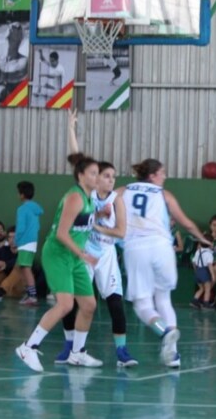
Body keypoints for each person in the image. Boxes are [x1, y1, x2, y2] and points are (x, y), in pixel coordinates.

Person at [55, 110, 137, 368]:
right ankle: (70, 347)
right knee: (71, 303)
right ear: (95, 177)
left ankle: (122, 352)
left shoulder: (116, 200)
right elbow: (77, 160)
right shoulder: (87, 194)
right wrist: (71, 129)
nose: (111, 180)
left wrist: (97, 227)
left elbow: (121, 232)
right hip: (83, 253)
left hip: (107, 255)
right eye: (106, 176)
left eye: (114, 177)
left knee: (115, 303)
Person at [119, 159, 212, 368]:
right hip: (162, 248)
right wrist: (201, 238)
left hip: (136, 248)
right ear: (152, 176)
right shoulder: (163, 194)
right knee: (164, 298)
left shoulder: (123, 190)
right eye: (162, 173)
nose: (165, 176)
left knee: (142, 304)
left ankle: (165, 332)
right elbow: (186, 222)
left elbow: (104, 205)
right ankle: (172, 355)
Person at [15, 153, 101, 373]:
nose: (97, 176)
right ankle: (28, 347)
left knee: (89, 305)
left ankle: (77, 354)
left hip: (74, 256)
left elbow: (77, 156)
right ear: (81, 176)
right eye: (93, 173)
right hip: (58, 254)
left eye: (98, 172)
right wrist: (83, 255)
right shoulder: (75, 197)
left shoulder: (90, 198)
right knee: (65, 305)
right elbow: (62, 234)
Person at [191, 214, 216, 308]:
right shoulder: (205, 236)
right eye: (214, 225)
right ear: (210, 226)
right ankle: (206, 297)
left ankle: (203, 294)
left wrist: (215, 261)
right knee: (200, 267)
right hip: (206, 262)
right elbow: (198, 251)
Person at [15, 181, 43, 305]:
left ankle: (32, 296)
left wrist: (16, 241)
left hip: (25, 242)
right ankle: (29, 294)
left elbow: (20, 228)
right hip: (32, 242)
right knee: (24, 268)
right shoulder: (35, 209)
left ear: (21, 195)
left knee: (26, 269)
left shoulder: (22, 209)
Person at [0, 22, 28, 105]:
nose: (10, 42)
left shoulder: (23, 62)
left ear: (19, 40)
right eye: (10, 38)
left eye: (13, 39)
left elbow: (9, 71)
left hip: (14, 94)